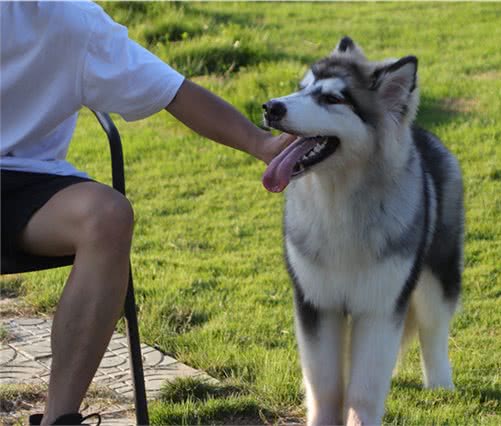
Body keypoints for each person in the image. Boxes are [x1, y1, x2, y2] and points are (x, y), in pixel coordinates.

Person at [0, 2, 295, 425]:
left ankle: (59, 419)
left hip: (28, 184)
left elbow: (170, 89)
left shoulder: (72, 20)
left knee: (107, 215)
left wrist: (259, 144)